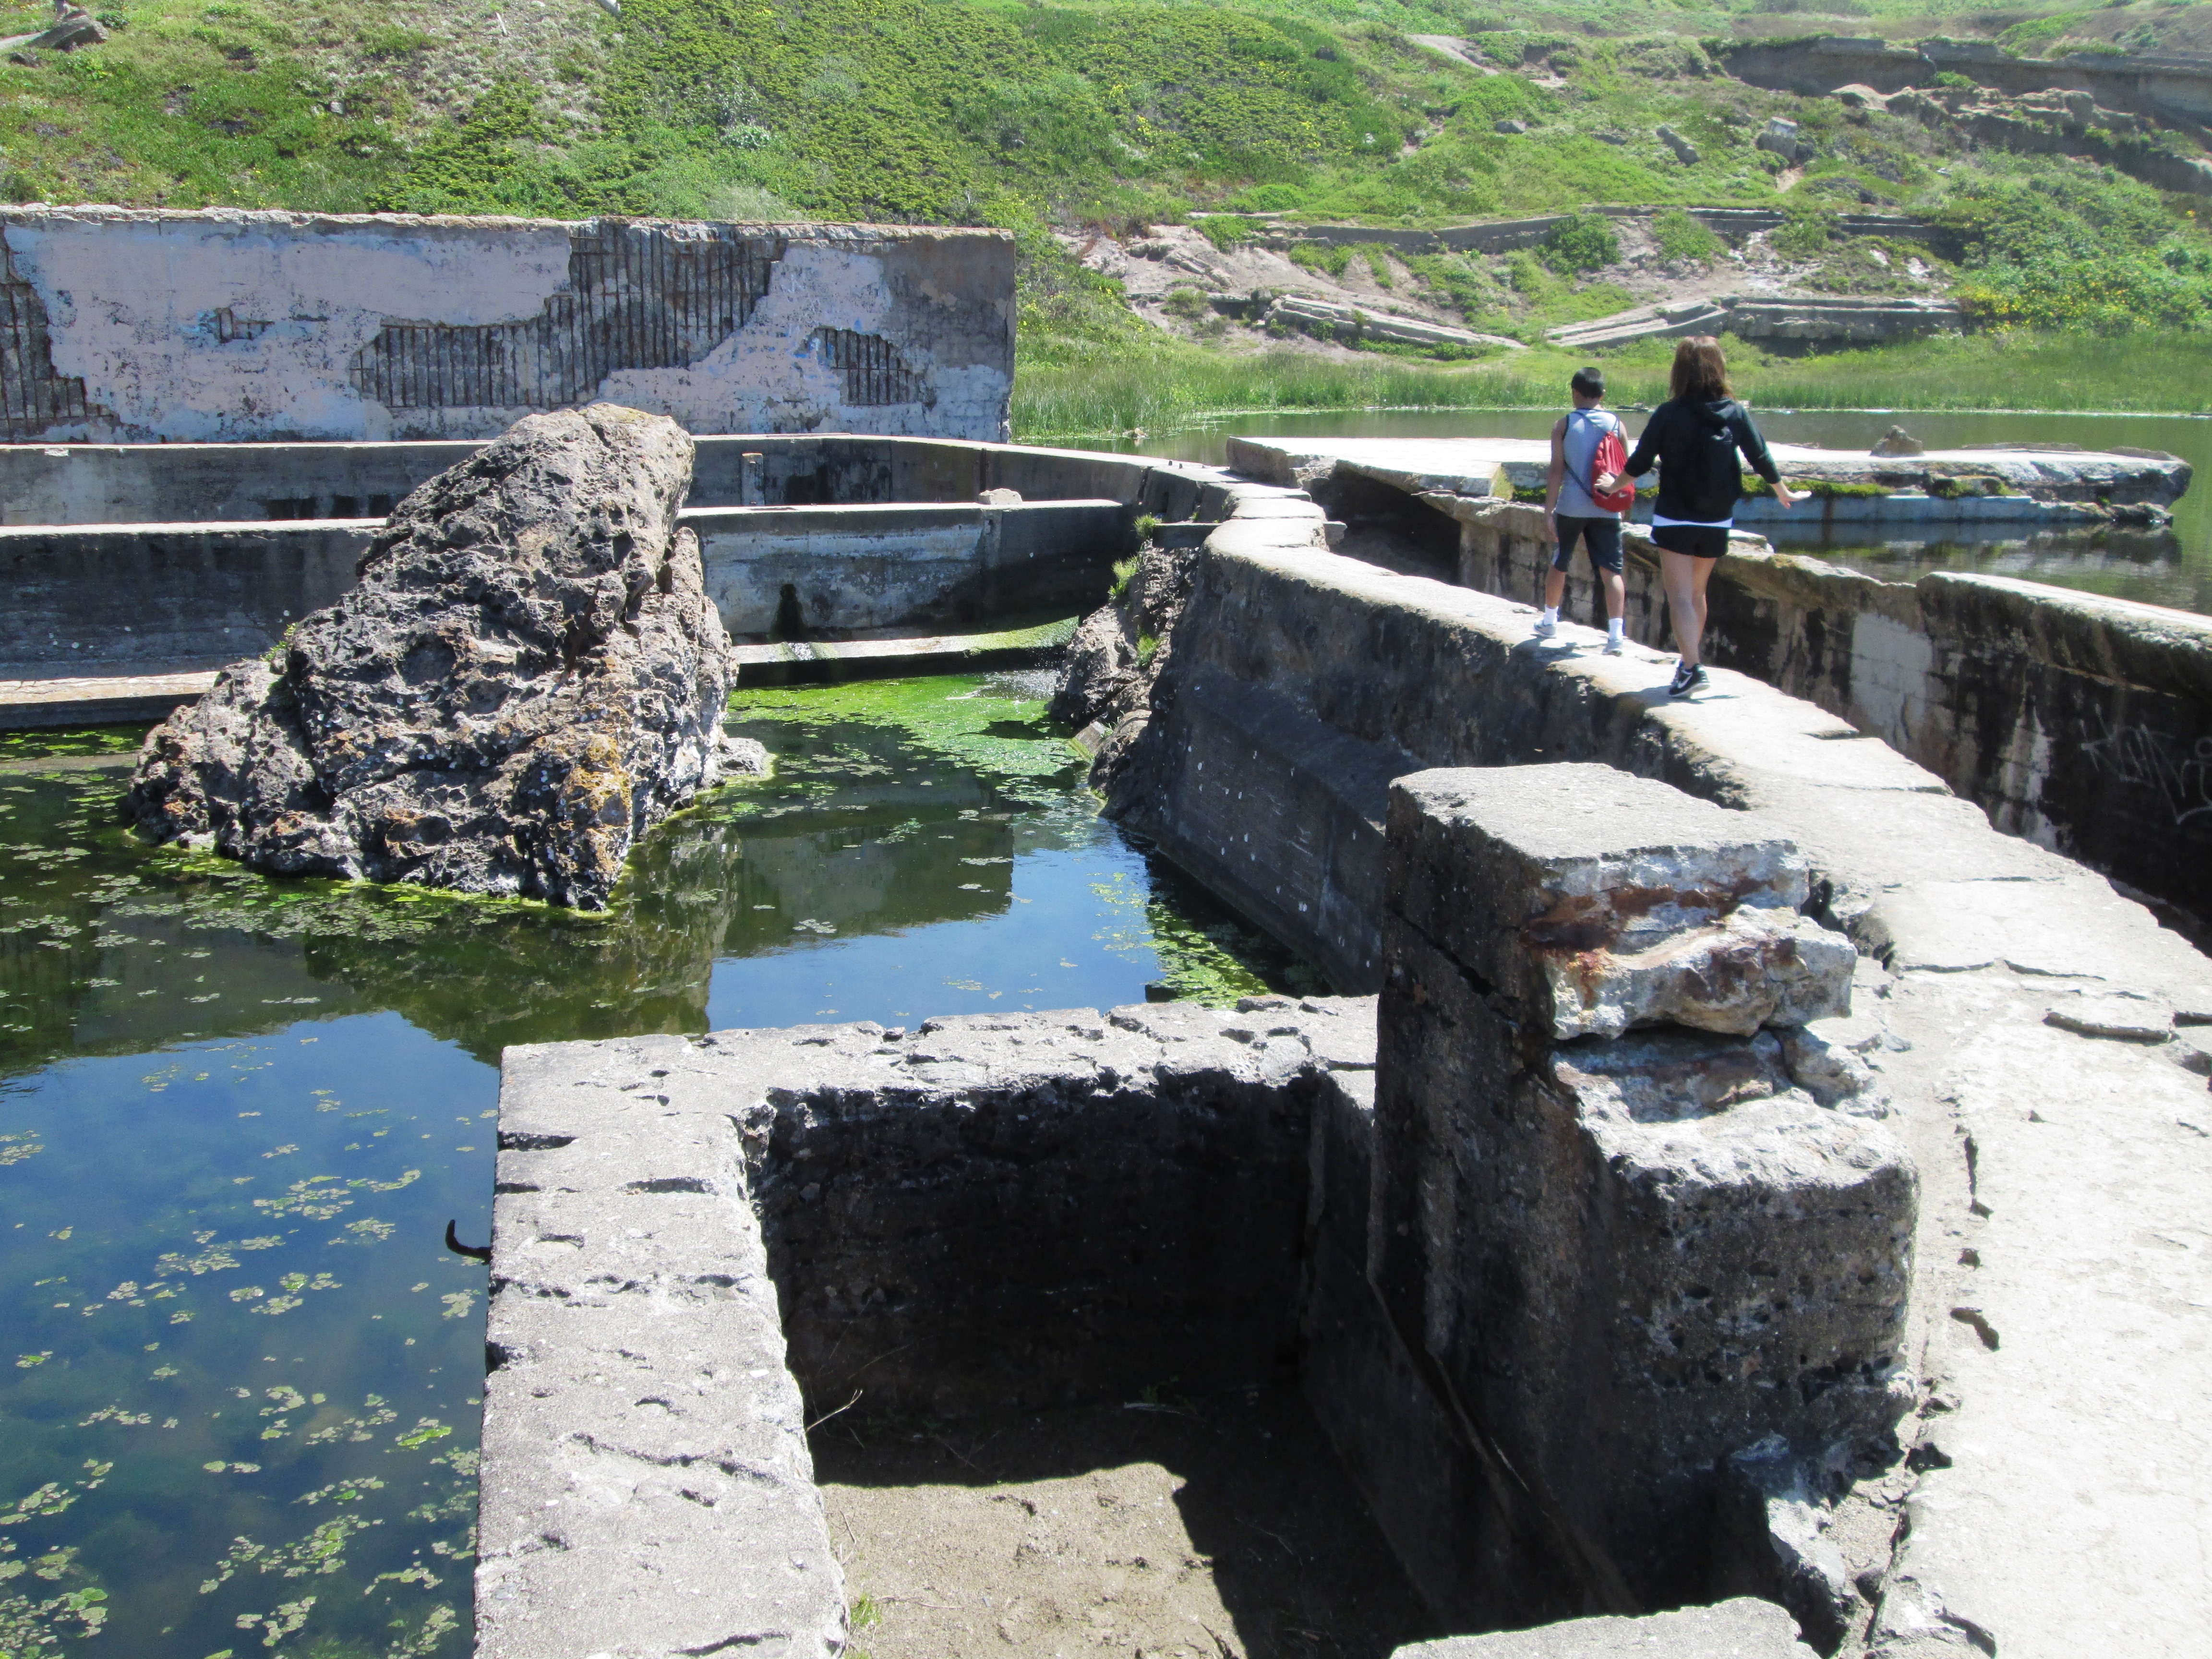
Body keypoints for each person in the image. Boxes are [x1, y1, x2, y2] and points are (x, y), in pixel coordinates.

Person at [1599, 336, 1797, 697]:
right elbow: (1760, 454)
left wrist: (1613, 486)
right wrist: (1782, 491)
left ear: (1680, 371)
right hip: (1718, 518)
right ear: (1719, 368)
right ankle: (1688, 663)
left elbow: (1639, 464)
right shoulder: (1735, 412)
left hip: (1676, 516)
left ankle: (1691, 667)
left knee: (1679, 597)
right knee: (1697, 592)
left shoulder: (1669, 413)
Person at [1535, 365, 1628, 655]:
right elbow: (1627, 470)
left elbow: (1556, 471)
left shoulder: (1563, 424)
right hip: (1608, 505)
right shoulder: (1617, 424)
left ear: (1575, 393)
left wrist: (1549, 511)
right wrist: (1624, 507)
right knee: (1611, 570)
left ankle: (1550, 620)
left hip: (1572, 506)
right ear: (1603, 394)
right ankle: (1615, 636)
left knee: (1560, 560)